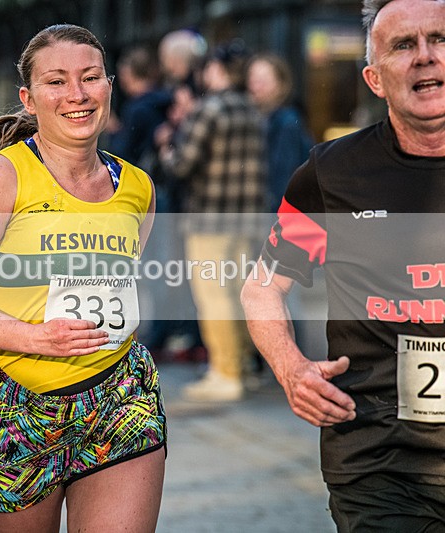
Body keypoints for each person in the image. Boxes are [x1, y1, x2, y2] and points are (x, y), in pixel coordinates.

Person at [0, 24, 166, 532]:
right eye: (56, 81)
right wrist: (38, 338)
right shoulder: (2, 177)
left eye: (90, 77)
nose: (77, 94)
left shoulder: (138, 186)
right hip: (18, 406)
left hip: (120, 397)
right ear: (29, 100)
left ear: (109, 86)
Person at [241, 0, 445, 529]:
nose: (426, 56)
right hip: (379, 462)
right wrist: (290, 368)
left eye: (440, 39)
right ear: (375, 80)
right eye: (404, 45)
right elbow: (262, 286)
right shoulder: (332, 174)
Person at [159, 42, 266, 402]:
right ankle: (244, 367)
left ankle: (225, 373)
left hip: (209, 219)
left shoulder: (209, 109)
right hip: (246, 218)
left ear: (216, 71)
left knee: (214, 296)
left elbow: (182, 164)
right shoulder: (252, 108)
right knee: (238, 292)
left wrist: (166, 148)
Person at [246, 53, 314, 213]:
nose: (255, 87)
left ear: (281, 84)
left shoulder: (287, 121)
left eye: (263, 81)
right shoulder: (258, 117)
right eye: (253, 80)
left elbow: (283, 177)